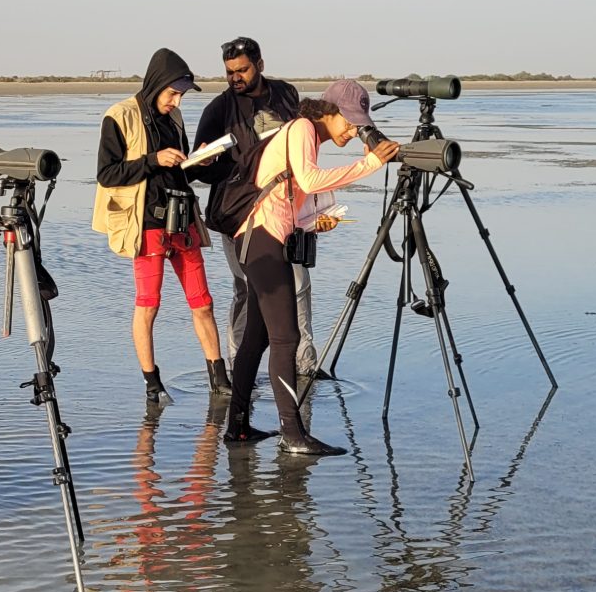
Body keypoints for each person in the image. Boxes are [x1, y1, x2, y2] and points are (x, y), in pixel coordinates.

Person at [224, 80, 398, 455]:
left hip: (259, 237)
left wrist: (311, 222)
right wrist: (370, 163)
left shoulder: (305, 135)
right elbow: (309, 179)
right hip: (263, 240)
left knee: (257, 337)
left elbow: (287, 196)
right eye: (349, 123)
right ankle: (293, 434)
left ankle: (237, 427)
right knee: (286, 339)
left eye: (357, 125)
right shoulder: (303, 128)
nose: (353, 131)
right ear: (328, 111)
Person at [94, 47, 231, 405]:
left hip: (181, 217)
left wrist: (202, 161)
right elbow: (107, 175)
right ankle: (152, 383)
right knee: (149, 304)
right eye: (173, 93)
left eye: (181, 95)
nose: (176, 100)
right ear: (155, 85)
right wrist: (153, 159)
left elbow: (181, 171)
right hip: (145, 223)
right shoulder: (119, 116)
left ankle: (220, 378)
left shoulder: (176, 119)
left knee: (203, 302)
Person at [192, 37, 329, 377]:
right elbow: (196, 169)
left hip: (287, 210)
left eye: (242, 70)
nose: (235, 77)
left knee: (299, 284)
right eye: (229, 72)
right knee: (247, 289)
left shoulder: (286, 95)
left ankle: (305, 364)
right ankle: (241, 365)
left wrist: (314, 208)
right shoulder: (218, 109)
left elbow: (305, 150)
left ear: (260, 64)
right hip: (238, 215)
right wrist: (208, 160)